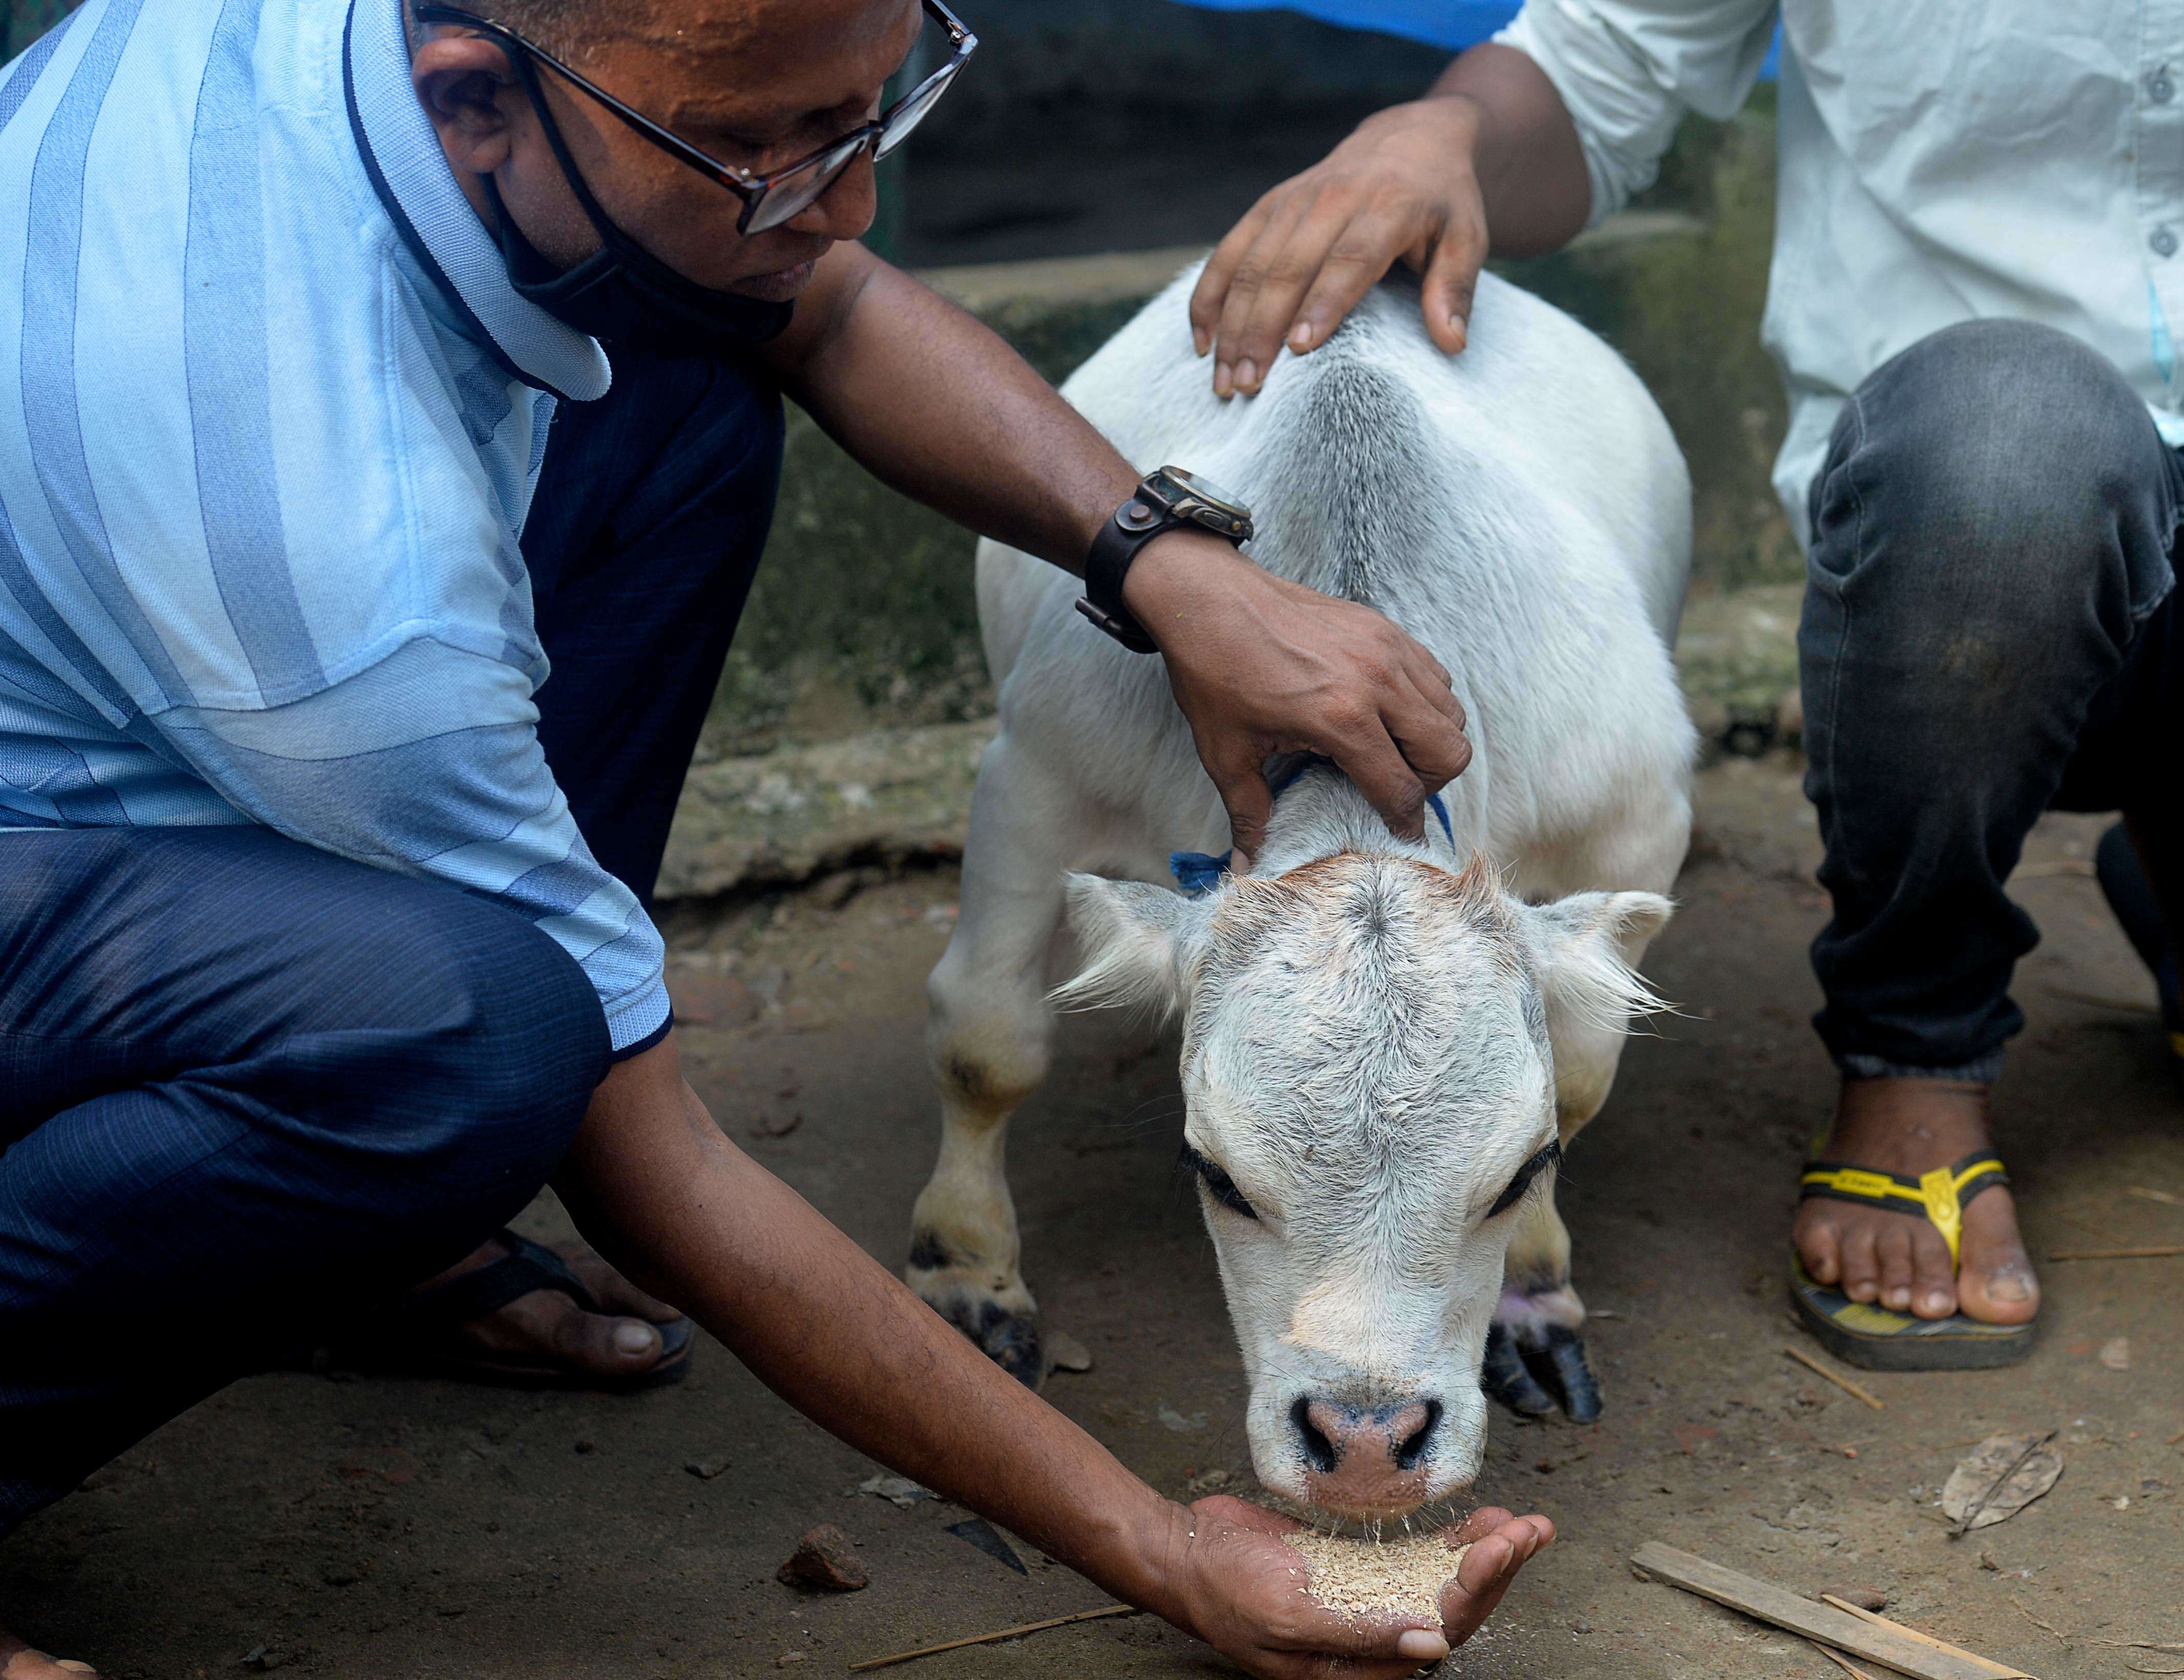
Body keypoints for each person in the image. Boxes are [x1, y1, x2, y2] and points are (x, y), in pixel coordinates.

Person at [0, 0, 1558, 1672]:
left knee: (690, 354)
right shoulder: (333, 578)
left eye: (868, 115)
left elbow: (819, 301)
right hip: (71, 816)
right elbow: (654, 1166)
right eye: (755, 148)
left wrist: (1174, 569)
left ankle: (361, 1224)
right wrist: (1166, 1551)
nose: (846, 199)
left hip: (181, 670)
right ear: (474, 108)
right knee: (476, 1039)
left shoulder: (463, 71)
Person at [1191, 2, 2184, 1371]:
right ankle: (1916, 1049)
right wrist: (1445, 130)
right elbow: (1596, 68)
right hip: (1977, 509)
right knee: (2010, 433)